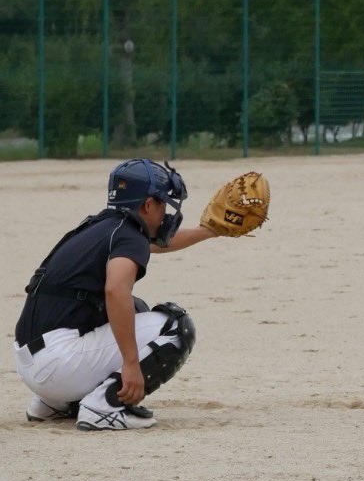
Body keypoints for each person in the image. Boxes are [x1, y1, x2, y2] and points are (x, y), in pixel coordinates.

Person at [14, 158, 216, 431]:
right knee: (176, 325)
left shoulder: (100, 227)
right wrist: (131, 364)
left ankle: (55, 403)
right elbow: (115, 289)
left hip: (34, 364)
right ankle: (104, 405)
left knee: (134, 309)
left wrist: (210, 231)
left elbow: (154, 245)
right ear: (147, 204)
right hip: (59, 366)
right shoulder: (128, 235)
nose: (165, 213)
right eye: (162, 204)